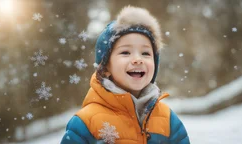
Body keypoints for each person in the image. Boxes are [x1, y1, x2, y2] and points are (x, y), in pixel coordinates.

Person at [61, 5, 190, 144]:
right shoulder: (86, 123)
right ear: (105, 68)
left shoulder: (168, 120)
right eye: (125, 52)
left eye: (145, 53)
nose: (137, 59)